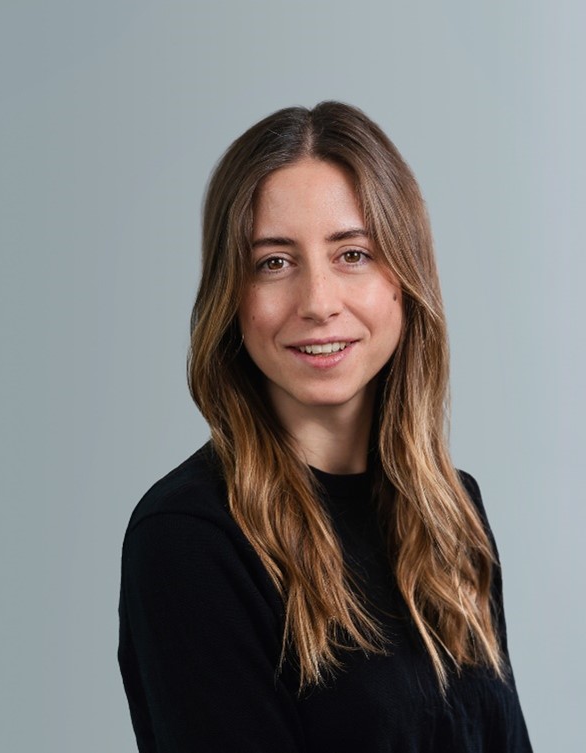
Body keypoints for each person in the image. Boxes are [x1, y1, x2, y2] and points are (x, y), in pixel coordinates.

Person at [118, 101, 532, 752]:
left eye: (353, 254)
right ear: (233, 296)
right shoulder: (188, 539)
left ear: (405, 279)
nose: (317, 302)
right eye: (274, 262)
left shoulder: (452, 512)